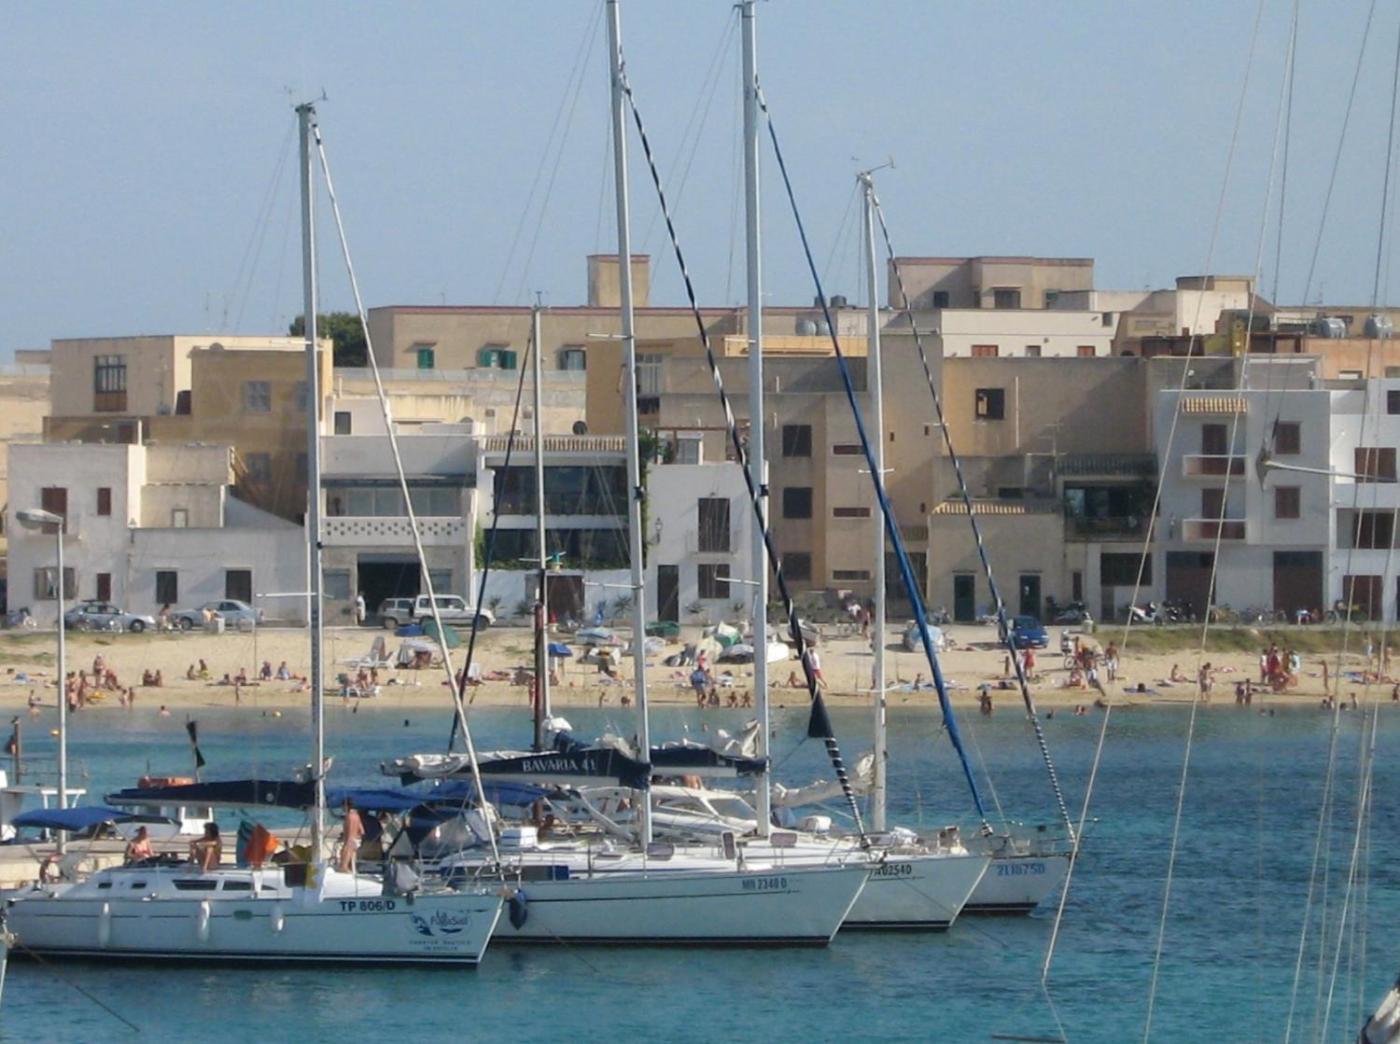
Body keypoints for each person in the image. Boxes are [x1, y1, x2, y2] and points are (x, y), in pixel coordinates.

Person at [338, 800, 364, 873]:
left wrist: (346, 837)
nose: (342, 808)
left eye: (342, 807)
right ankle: (351, 869)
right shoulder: (356, 816)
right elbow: (362, 831)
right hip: (356, 839)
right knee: (353, 856)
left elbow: (348, 830)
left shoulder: (348, 817)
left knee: (345, 853)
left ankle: (344, 868)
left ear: (346, 806)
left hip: (349, 840)